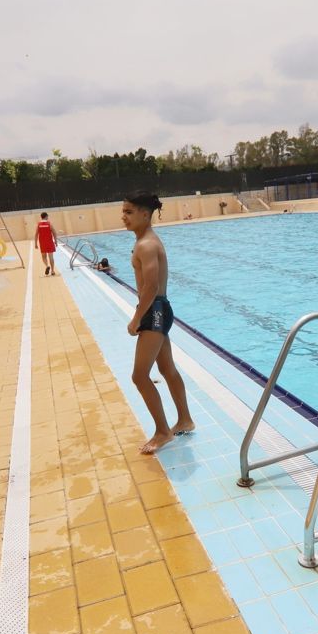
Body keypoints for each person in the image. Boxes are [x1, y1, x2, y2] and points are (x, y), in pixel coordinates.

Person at [122, 192, 195, 454]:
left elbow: (151, 287)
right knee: (167, 369)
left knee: (139, 376)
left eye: (129, 212)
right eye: (124, 211)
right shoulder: (146, 241)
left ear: (145, 214)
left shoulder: (146, 245)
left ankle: (163, 431)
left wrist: (135, 320)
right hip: (158, 310)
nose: (124, 217)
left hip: (154, 311)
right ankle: (185, 419)